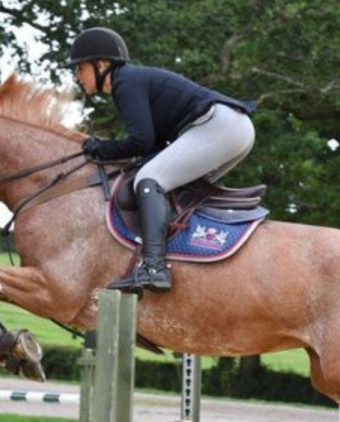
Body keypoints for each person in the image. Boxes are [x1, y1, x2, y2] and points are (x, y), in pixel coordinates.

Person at [67, 26, 257, 293]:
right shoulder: (130, 81)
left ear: (101, 65)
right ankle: (186, 258)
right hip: (232, 129)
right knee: (175, 189)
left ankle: (154, 268)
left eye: (80, 67)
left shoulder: (125, 82)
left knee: (149, 180)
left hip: (219, 126)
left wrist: (101, 148)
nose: (77, 75)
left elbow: (140, 141)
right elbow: (152, 146)